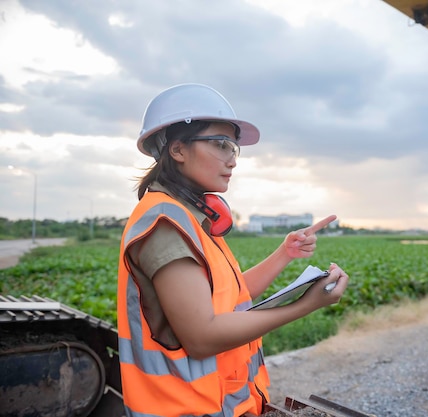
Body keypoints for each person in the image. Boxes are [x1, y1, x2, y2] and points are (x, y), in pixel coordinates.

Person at [116, 83, 349, 417]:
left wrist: (286, 253)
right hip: (187, 409)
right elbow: (202, 336)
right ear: (178, 149)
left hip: (221, 404)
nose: (232, 160)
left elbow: (233, 295)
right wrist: (304, 306)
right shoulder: (166, 224)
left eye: (234, 149)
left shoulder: (191, 217)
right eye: (220, 145)